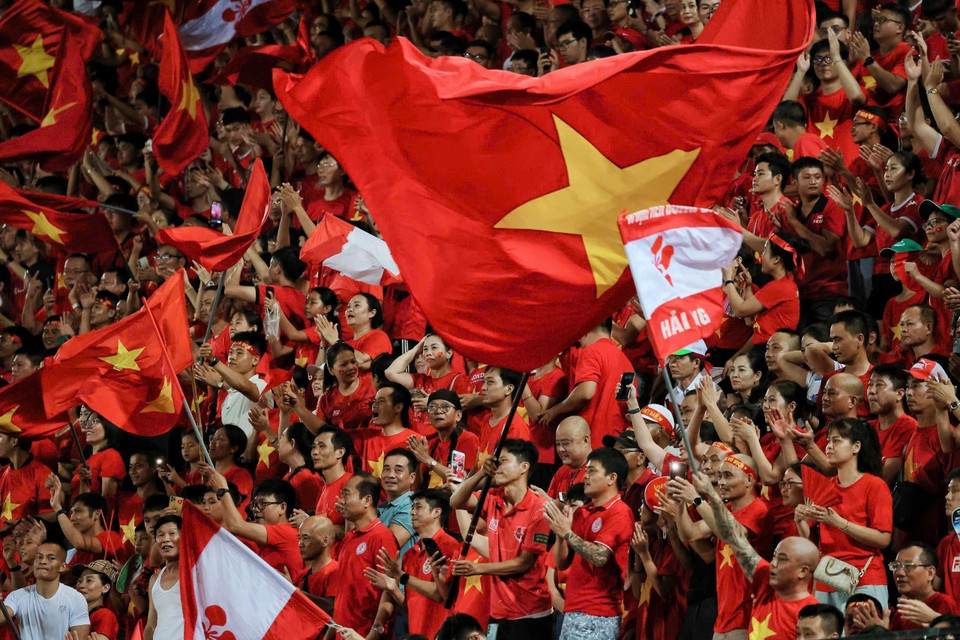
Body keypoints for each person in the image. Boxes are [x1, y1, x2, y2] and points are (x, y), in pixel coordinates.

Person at [692, 473, 820, 640]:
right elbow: (735, 539)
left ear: (803, 571)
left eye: (782, 559)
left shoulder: (811, 613)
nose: (773, 563)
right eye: (774, 557)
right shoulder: (764, 581)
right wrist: (712, 496)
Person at [450, 439, 552, 638]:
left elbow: (524, 563)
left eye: (503, 461)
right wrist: (481, 473)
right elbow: (456, 501)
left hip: (530, 613)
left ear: (524, 467)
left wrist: (479, 568)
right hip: (498, 612)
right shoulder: (494, 497)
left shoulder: (538, 509)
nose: (497, 466)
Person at [544, 447, 633, 639]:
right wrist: (560, 535)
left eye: (592, 471)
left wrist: (566, 533)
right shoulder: (584, 512)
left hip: (598, 615)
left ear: (612, 478)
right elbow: (562, 564)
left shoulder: (619, 512)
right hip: (574, 610)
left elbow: (600, 556)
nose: (585, 476)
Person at [364, 488, 460, 639]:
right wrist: (393, 589)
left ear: (436, 512)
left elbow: (440, 594)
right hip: (416, 633)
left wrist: (401, 576)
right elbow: (410, 605)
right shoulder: (409, 554)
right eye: (412, 507)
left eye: (418, 507)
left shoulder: (449, 545)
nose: (412, 512)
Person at [326, 472, 399, 639]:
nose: (341, 500)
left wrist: (372, 636)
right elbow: (342, 598)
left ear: (367, 500)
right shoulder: (349, 538)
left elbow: (389, 591)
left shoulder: (382, 537)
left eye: (346, 494)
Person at [541, 318, 634, 448]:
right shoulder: (625, 361)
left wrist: (555, 410)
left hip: (591, 440)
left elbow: (586, 391)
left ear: (585, 331)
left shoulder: (592, 351)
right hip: (615, 441)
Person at [204, 469, 303, 577]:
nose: (256, 509)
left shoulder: (286, 532)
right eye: (254, 504)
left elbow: (236, 526)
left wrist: (222, 490)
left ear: (282, 507)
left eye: (263, 503)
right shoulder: (264, 538)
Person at [723, 232, 807, 347]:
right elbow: (749, 320)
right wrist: (748, 287)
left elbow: (739, 310)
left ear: (776, 259)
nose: (761, 256)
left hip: (770, 349)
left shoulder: (779, 287)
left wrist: (728, 279)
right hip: (766, 347)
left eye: (765, 251)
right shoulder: (784, 284)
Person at [0, 541, 89, 640]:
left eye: (51, 558)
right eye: (39, 557)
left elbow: (80, 637)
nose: (43, 561)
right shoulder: (17, 596)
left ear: (62, 566)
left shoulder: (76, 598)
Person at [406, 389, 479, 489]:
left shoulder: (466, 439)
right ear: (428, 416)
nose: (438, 411)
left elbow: (458, 479)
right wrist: (418, 462)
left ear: (458, 415)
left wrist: (427, 459)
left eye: (445, 407)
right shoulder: (431, 443)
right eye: (432, 407)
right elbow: (417, 487)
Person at [361, 383, 419, 477]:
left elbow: (417, 483)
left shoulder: (414, 441)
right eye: (374, 401)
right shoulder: (366, 437)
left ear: (398, 407)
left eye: (381, 401)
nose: (374, 405)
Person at [144, 515, 183, 640]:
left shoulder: (194, 574)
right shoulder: (154, 580)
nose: (166, 539)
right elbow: (151, 625)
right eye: (160, 535)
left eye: (172, 533)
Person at [312, 425, 354, 535]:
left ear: (340, 452)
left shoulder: (351, 483)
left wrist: (313, 525)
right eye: (314, 447)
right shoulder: (322, 490)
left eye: (322, 446)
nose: (315, 452)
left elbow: (356, 531)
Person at [377, 448, 417, 553]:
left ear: (412, 477)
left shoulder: (411, 506)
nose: (390, 475)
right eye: (386, 469)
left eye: (398, 470)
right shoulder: (381, 507)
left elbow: (386, 548)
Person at [297, 514, 338, 605]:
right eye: (299, 538)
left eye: (306, 538)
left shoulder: (337, 572)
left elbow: (332, 607)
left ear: (325, 541)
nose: (300, 544)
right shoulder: (302, 575)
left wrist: (296, 592)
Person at [547, 416, 592, 499]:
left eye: (566, 443)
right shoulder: (561, 472)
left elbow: (584, 510)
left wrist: (550, 503)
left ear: (585, 441)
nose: (561, 449)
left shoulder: (596, 472)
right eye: (558, 444)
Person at [75, 560, 120, 640]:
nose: (81, 585)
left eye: (89, 580)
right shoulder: (75, 614)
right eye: (79, 581)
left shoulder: (105, 615)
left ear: (105, 588)